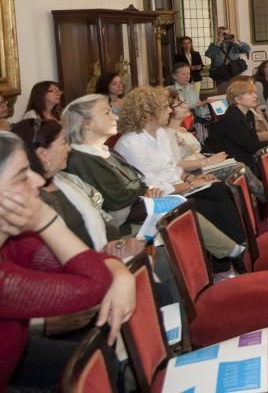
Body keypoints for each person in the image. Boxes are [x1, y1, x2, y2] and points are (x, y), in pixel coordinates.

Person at [0, 131, 134, 388]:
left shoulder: (13, 242)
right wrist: (46, 222)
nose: (38, 180)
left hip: (15, 357)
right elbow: (92, 286)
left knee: (96, 359)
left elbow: (81, 262)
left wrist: (120, 271)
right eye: (21, 176)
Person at [63, 94, 245, 270]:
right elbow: (117, 199)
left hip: (143, 202)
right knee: (183, 208)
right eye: (107, 113)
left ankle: (232, 252)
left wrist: (151, 190)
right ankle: (230, 254)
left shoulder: (105, 151)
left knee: (213, 193)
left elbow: (138, 180)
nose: (114, 116)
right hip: (125, 220)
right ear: (87, 123)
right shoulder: (82, 159)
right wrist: (147, 193)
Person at [113, 87, 246, 249]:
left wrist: (191, 179)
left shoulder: (160, 133)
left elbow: (173, 167)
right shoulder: (132, 143)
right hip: (161, 197)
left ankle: (239, 245)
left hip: (178, 186)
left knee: (219, 189)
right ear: (148, 113)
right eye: (165, 107)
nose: (170, 110)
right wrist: (189, 185)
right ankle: (232, 254)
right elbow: (152, 185)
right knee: (208, 208)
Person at [13, 119, 118, 251]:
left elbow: (101, 216)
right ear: (43, 154)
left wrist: (117, 246)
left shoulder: (66, 180)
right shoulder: (33, 201)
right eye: (63, 143)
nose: (69, 148)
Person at [166, 89, 263, 200]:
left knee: (237, 165)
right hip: (194, 171)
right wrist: (207, 162)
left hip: (204, 165)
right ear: (169, 111)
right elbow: (176, 164)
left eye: (184, 102)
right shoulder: (167, 133)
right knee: (239, 168)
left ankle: (251, 205)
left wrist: (211, 159)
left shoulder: (182, 129)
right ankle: (265, 199)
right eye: (180, 104)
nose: (186, 105)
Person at [204, 80, 268, 178]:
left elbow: (253, 141)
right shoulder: (232, 118)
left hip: (240, 154)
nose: (255, 96)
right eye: (250, 93)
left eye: (254, 93)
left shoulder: (248, 114)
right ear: (237, 99)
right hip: (224, 159)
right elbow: (252, 147)